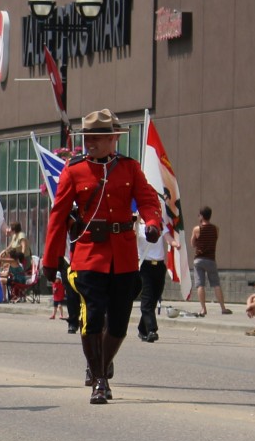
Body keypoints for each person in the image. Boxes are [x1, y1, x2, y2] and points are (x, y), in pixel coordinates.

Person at [40, 110, 163, 403]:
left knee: (119, 322)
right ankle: (99, 379)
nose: (90, 143)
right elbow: (58, 217)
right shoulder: (75, 170)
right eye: (87, 138)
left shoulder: (129, 168)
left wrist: (153, 223)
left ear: (113, 139)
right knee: (93, 316)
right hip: (88, 255)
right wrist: (50, 260)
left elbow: (147, 200)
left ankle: (102, 361)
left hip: (123, 255)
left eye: (96, 138)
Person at [134, 206, 169, 343]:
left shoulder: (158, 224)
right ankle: (152, 330)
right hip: (145, 266)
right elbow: (133, 239)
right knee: (147, 299)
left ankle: (142, 329)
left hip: (159, 266)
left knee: (154, 299)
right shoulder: (138, 227)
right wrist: (135, 223)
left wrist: (175, 244)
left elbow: (168, 237)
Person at [187, 207, 228, 316]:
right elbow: (215, 240)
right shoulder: (216, 229)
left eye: (199, 215)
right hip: (211, 259)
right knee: (216, 284)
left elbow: (192, 244)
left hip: (199, 259)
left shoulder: (197, 229)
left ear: (201, 216)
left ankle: (203, 309)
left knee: (200, 284)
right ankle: (223, 308)